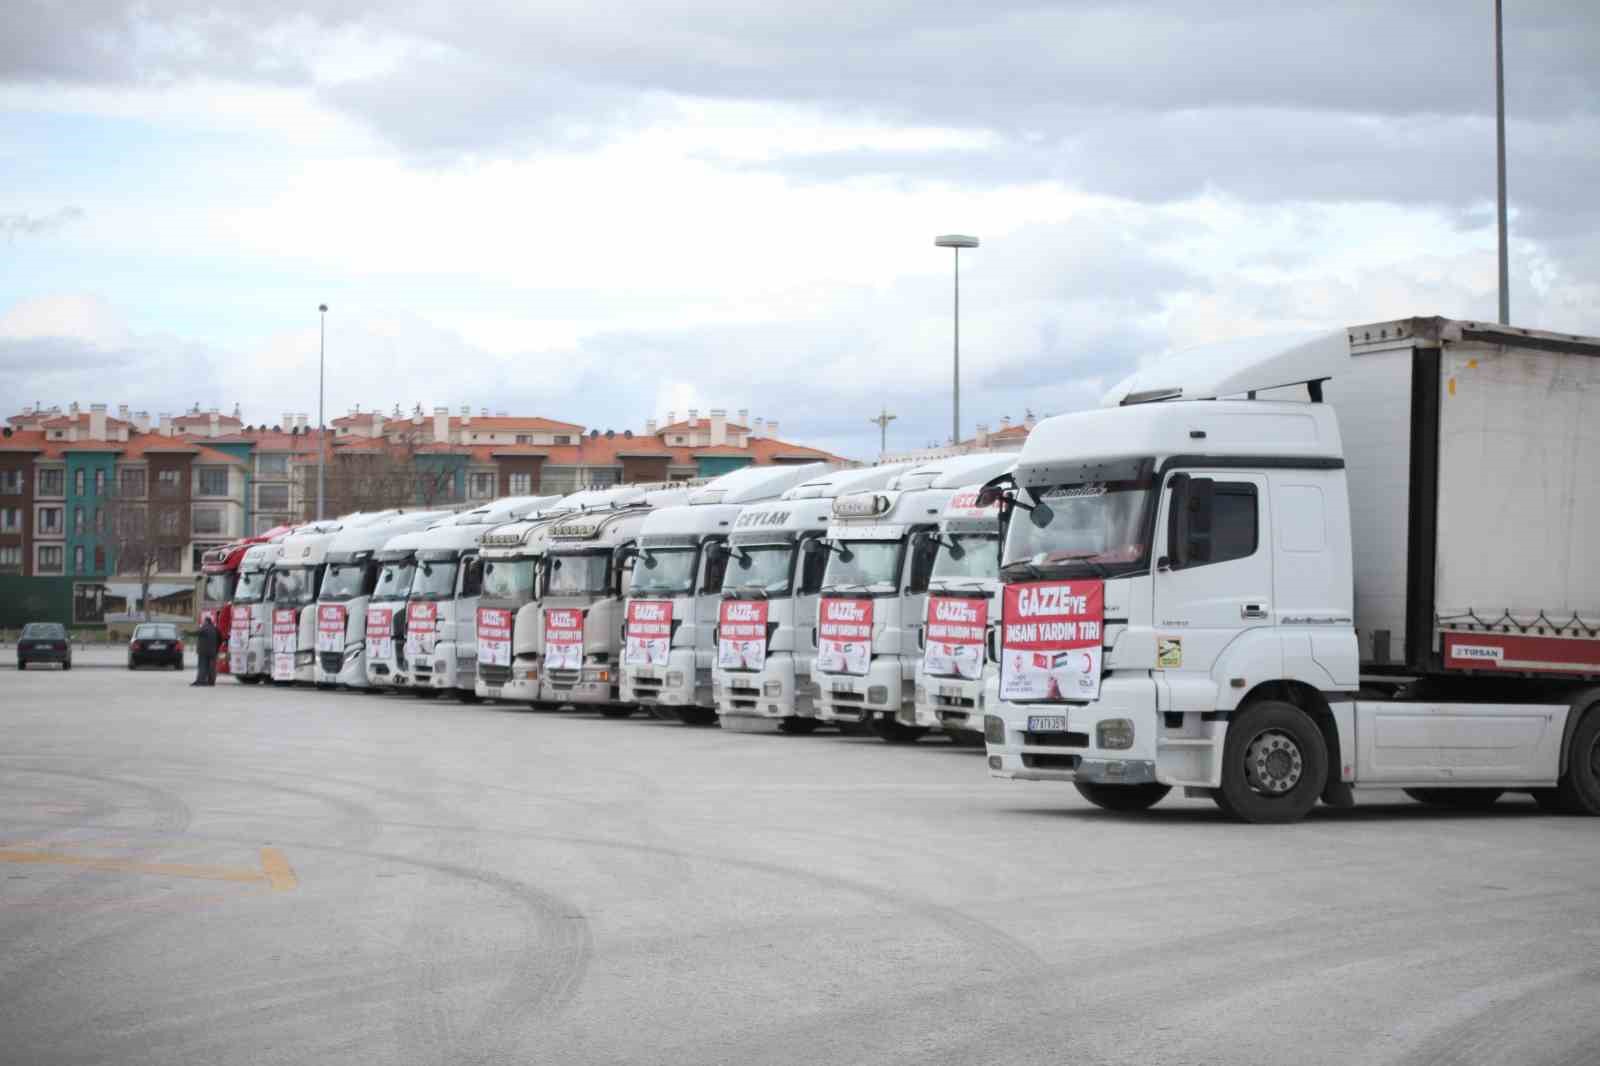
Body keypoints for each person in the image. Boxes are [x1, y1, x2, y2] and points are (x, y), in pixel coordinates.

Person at [193, 615, 220, 687]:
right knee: (212, 667)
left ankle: (200, 681)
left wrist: (187, 632)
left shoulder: (204, 628)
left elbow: (196, 633)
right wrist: (216, 648)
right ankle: (211, 682)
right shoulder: (215, 629)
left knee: (202, 666)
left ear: (206, 621)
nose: (203, 622)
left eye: (204, 621)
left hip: (203, 652)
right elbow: (220, 638)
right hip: (213, 652)